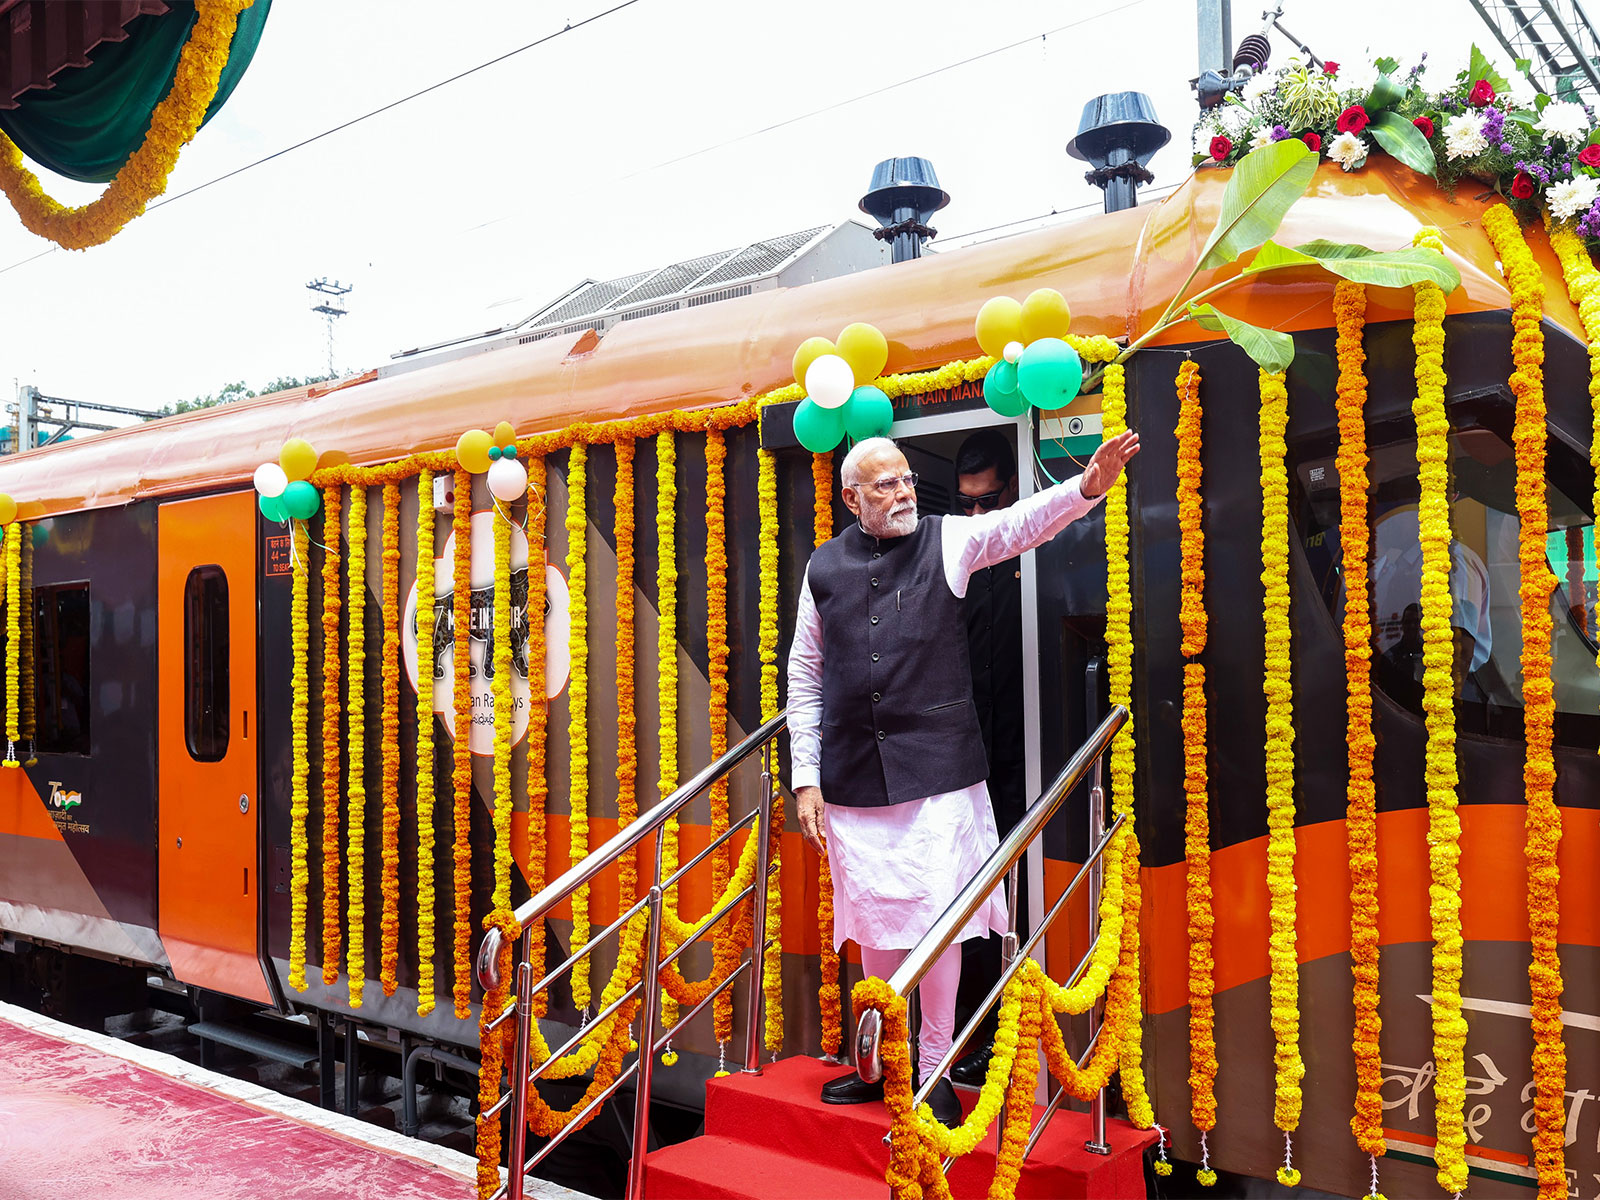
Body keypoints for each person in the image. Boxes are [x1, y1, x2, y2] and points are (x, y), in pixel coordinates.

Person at [787, 430, 1139, 1126]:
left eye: (907, 479)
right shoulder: (822, 567)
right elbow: (804, 675)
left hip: (941, 779)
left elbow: (1019, 526)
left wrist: (1085, 489)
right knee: (876, 925)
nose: (903, 493)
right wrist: (806, 779)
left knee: (940, 926)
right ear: (852, 498)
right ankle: (881, 1063)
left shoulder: (948, 539)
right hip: (853, 780)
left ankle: (934, 1069)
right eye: (885, 485)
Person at [947, 429, 1024, 1088]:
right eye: (965, 503)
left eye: (988, 501)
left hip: (1031, 758)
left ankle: (1012, 1032)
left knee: (1018, 901)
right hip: (969, 765)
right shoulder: (954, 561)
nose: (976, 515)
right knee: (973, 904)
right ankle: (976, 1034)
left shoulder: (1041, 549)